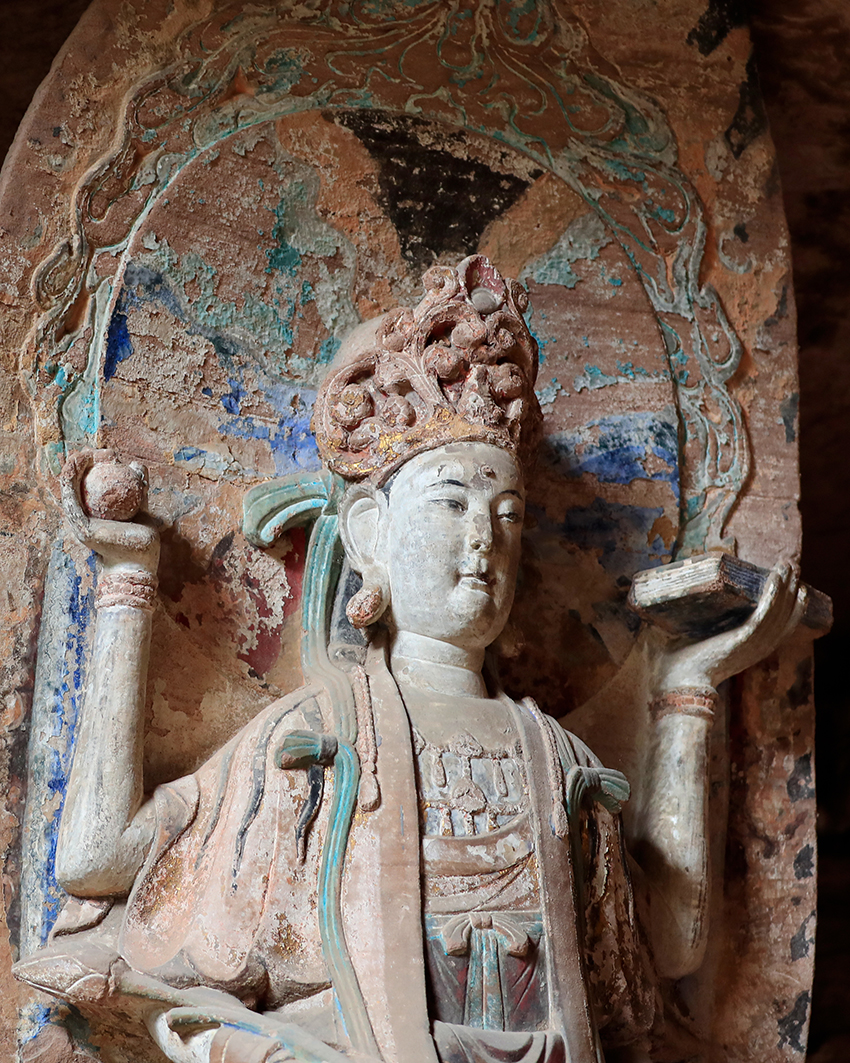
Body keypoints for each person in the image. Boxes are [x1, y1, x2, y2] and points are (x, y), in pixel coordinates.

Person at [14, 256, 805, 1063]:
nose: (482, 539)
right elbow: (95, 860)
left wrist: (687, 687)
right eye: (451, 502)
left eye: (507, 514)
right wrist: (127, 584)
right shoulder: (315, 742)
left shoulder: (558, 758)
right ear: (369, 532)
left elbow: (669, 943)